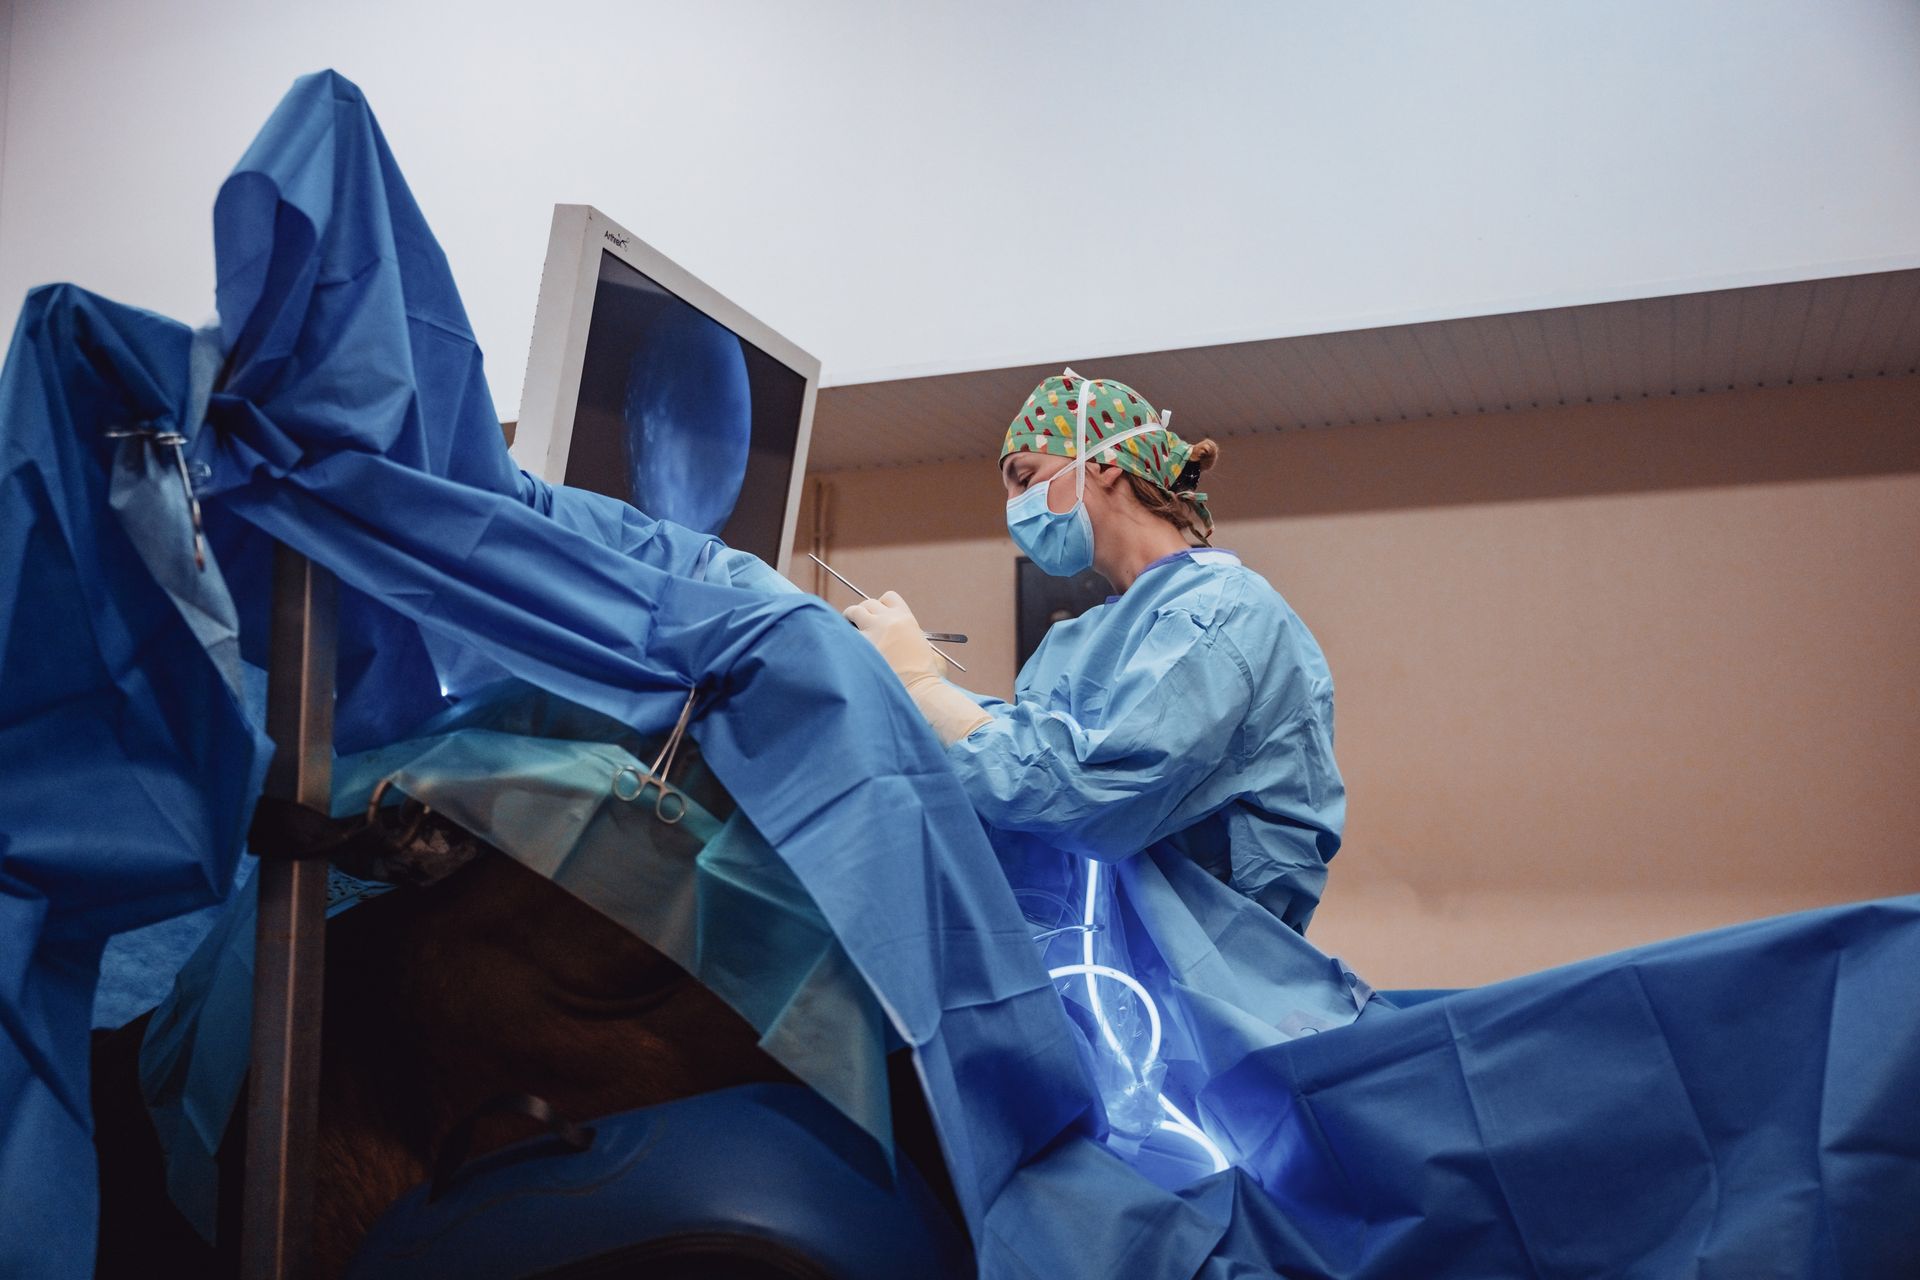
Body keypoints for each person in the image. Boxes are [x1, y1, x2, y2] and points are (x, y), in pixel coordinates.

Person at [845, 368, 1372, 1166]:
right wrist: (919, 700)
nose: (1013, 506)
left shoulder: (1224, 613)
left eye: (1024, 476)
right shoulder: (1082, 638)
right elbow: (1022, 762)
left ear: (1104, 463)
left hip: (1204, 1011)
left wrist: (923, 690)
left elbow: (1081, 792)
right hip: (1094, 1004)